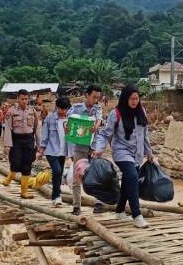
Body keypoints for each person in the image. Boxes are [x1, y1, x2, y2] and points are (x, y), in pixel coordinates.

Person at [93, 84, 153, 228]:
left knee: (128, 181)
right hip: (121, 152)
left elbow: (145, 134)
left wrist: (149, 152)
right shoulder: (116, 113)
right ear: (125, 99)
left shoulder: (141, 112)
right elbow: (105, 133)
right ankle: (137, 214)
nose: (134, 102)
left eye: (137, 99)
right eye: (132, 99)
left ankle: (120, 210)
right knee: (132, 176)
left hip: (137, 154)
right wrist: (99, 149)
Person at [67, 85, 104, 214]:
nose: (96, 100)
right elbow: (69, 122)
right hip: (79, 147)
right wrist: (67, 126)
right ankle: (77, 206)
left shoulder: (98, 108)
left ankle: (98, 203)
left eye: (98, 98)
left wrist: (96, 126)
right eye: (94, 97)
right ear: (86, 95)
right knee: (78, 176)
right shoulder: (76, 109)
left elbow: (99, 120)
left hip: (94, 147)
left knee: (96, 175)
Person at [2, 90, 41, 198]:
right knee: (15, 161)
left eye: (26, 99)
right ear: (18, 99)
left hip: (29, 139)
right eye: (22, 99)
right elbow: (8, 129)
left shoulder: (32, 111)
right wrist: (7, 145)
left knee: (27, 164)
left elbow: (37, 128)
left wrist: (39, 144)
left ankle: (24, 192)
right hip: (16, 139)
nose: (24, 101)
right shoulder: (11, 111)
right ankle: (10, 177)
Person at [37, 96, 71, 210]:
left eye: (65, 109)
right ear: (57, 107)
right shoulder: (50, 119)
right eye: (61, 109)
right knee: (56, 171)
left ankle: (56, 194)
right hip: (51, 150)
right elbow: (45, 135)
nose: (63, 111)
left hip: (63, 151)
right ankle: (56, 197)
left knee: (59, 173)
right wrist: (41, 150)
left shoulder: (70, 119)